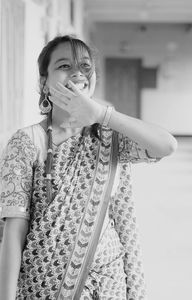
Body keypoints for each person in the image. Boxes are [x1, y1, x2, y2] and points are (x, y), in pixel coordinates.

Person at [0, 35, 177, 300]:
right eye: (63, 66)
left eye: (85, 67)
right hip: (43, 290)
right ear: (43, 82)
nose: (77, 74)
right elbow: (14, 231)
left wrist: (102, 115)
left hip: (108, 285)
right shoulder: (27, 142)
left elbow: (167, 145)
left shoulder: (111, 137)